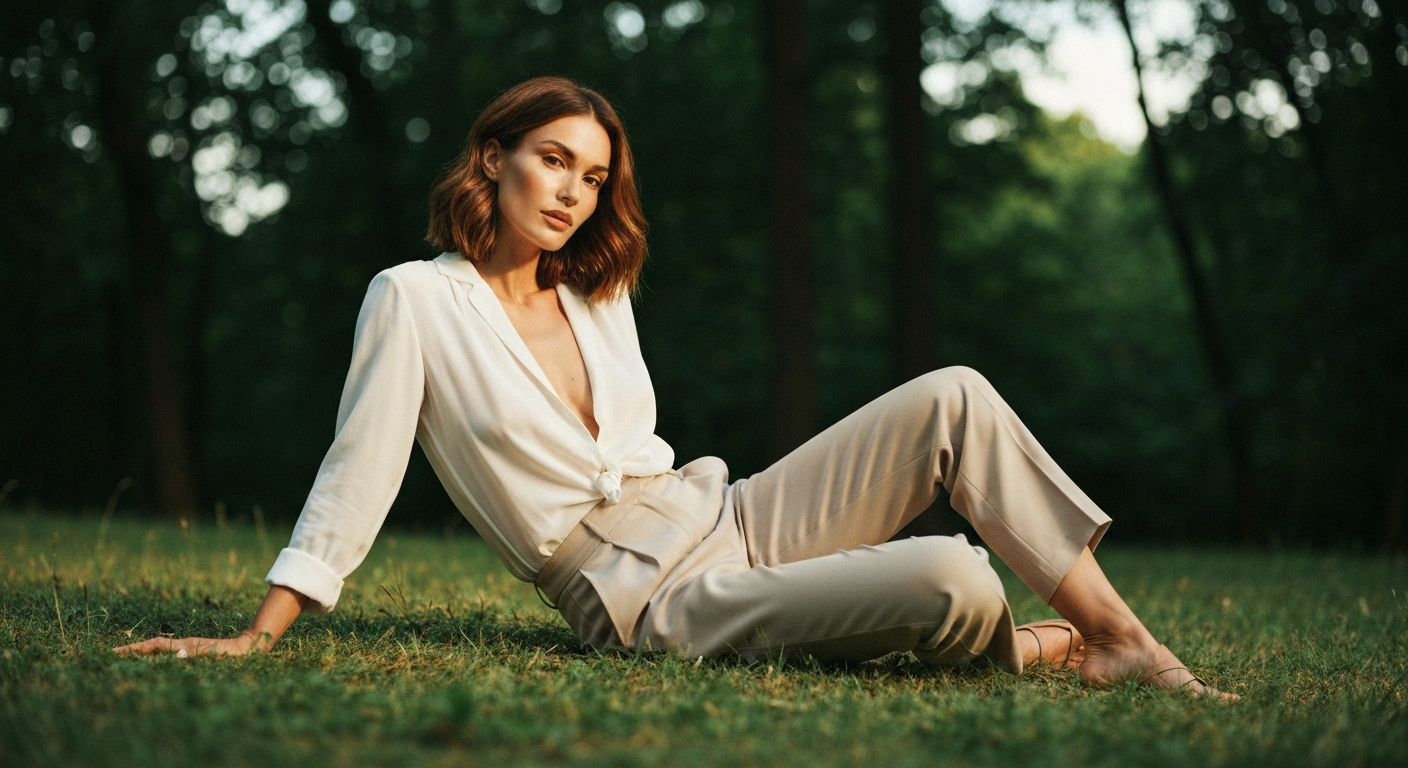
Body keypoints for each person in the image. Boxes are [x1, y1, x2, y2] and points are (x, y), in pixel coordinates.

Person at [115, 77, 1235, 700]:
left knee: (954, 392)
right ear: (492, 156)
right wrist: (260, 634)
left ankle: (1123, 641)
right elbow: (354, 471)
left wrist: (739, 516)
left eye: (592, 177)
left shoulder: (596, 290)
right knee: (957, 576)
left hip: (730, 511)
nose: (570, 191)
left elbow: (647, 452)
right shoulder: (413, 300)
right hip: (641, 598)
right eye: (552, 158)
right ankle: (1046, 646)